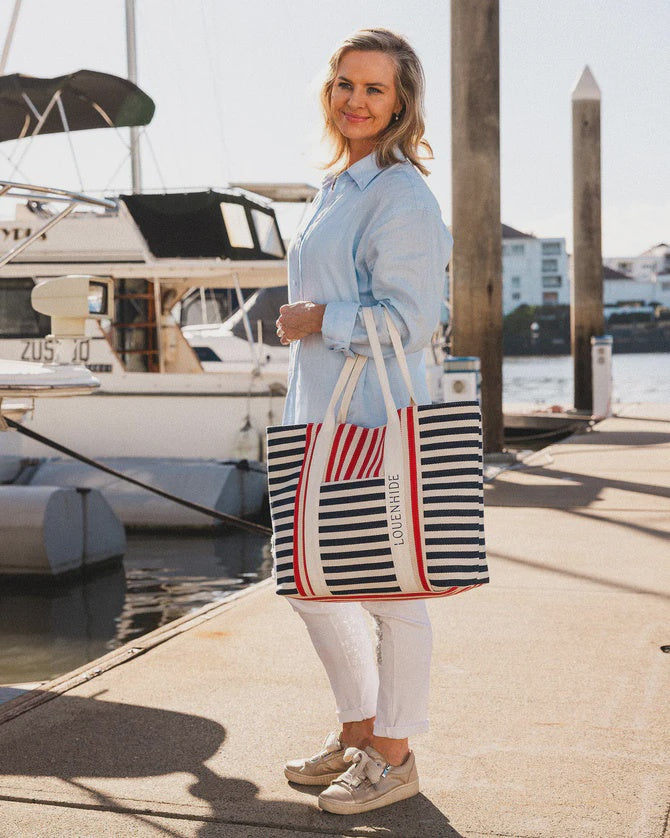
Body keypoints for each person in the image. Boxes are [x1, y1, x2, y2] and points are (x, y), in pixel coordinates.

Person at [274, 28, 453, 815]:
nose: (356, 100)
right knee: (311, 581)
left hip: (377, 416)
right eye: (346, 83)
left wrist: (320, 316)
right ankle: (357, 730)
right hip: (320, 410)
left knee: (390, 590)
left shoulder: (402, 193)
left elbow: (413, 318)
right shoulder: (341, 184)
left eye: (374, 89)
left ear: (401, 102)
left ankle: (394, 752)